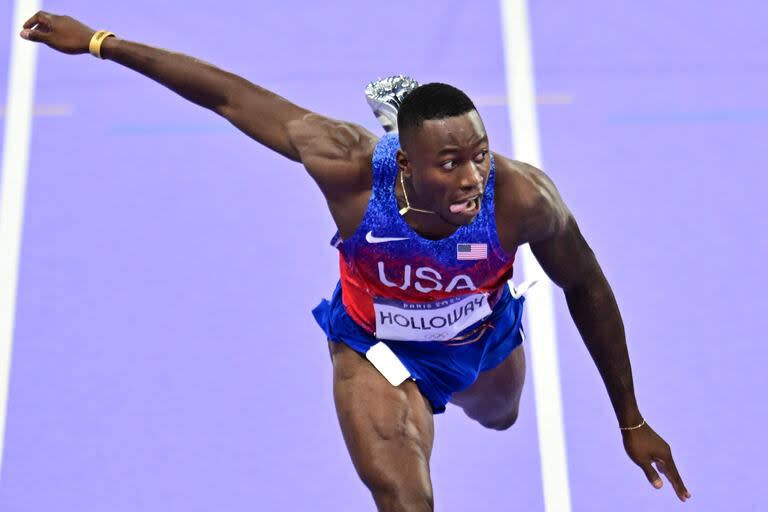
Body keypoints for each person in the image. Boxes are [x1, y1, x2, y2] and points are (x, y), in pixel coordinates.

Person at [19, 11, 690, 511]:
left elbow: (588, 286)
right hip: (374, 348)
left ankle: (470, 383)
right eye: (450, 163)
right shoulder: (350, 166)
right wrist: (104, 44)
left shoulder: (522, 199)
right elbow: (229, 96)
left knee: (501, 415)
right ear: (404, 159)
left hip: (479, 340)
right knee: (404, 499)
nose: (471, 179)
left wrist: (630, 419)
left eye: (479, 155)